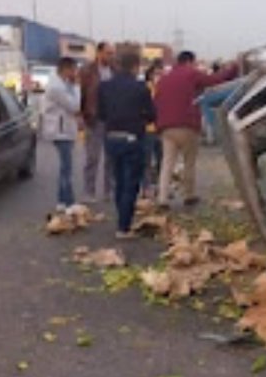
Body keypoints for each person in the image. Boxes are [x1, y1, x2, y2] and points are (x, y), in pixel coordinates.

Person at [154, 50, 238, 209]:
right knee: (189, 162)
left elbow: (157, 100)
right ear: (189, 62)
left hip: (166, 127)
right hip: (187, 125)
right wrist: (234, 68)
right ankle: (189, 195)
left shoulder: (163, 79)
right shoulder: (191, 74)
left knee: (167, 163)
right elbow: (216, 79)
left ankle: (162, 198)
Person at [98, 52, 156, 239]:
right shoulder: (140, 87)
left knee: (119, 181)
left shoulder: (104, 86)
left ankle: (121, 220)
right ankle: (124, 227)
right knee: (131, 183)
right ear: (135, 66)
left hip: (112, 137)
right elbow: (151, 115)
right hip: (132, 139)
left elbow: (101, 113)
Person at [79, 42, 116, 203]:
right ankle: (89, 191)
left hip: (113, 120)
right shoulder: (87, 71)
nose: (111, 56)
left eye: (112, 53)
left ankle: (109, 191)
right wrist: (80, 116)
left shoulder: (115, 71)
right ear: (99, 53)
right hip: (93, 119)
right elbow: (79, 94)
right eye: (108, 53)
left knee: (111, 158)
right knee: (92, 158)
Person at [43, 57, 81, 211]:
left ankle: (64, 201)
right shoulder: (56, 87)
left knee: (66, 167)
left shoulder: (61, 83)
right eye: (73, 70)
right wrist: (77, 87)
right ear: (65, 69)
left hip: (64, 128)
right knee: (66, 168)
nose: (75, 73)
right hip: (60, 130)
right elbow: (74, 106)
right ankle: (67, 202)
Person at [141, 60, 164, 197]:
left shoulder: (164, 88)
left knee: (162, 158)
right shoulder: (146, 88)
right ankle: (146, 186)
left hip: (162, 128)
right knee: (147, 159)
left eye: (160, 73)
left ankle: (159, 185)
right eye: (156, 73)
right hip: (148, 128)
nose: (158, 76)